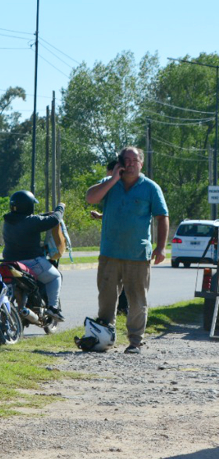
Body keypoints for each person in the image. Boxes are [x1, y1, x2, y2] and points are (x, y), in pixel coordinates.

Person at [86, 146, 169, 354]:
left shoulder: (150, 188)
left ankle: (135, 341)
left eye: (135, 160)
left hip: (138, 255)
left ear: (141, 163)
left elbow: (162, 218)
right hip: (109, 254)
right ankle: (104, 337)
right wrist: (113, 179)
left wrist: (161, 248)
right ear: (120, 163)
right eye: (126, 160)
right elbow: (91, 198)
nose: (130, 163)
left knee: (137, 300)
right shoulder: (110, 184)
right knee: (106, 299)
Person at [2, 191, 66, 320]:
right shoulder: (32, 221)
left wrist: (44, 215)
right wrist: (60, 208)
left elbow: (27, 220)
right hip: (31, 261)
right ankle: (53, 308)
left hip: (9, 262)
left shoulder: (8, 220)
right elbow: (54, 220)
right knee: (55, 277)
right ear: (28, 206)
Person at [89, 161, 128, 315]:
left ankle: (123, 307)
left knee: (123, 278)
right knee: (113, 281)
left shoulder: (125, 188)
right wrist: (100, 216)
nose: (106, 177)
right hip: (112, 243)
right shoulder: (111, 187)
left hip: (124, 241)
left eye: (108, 173)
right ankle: (116, 309)